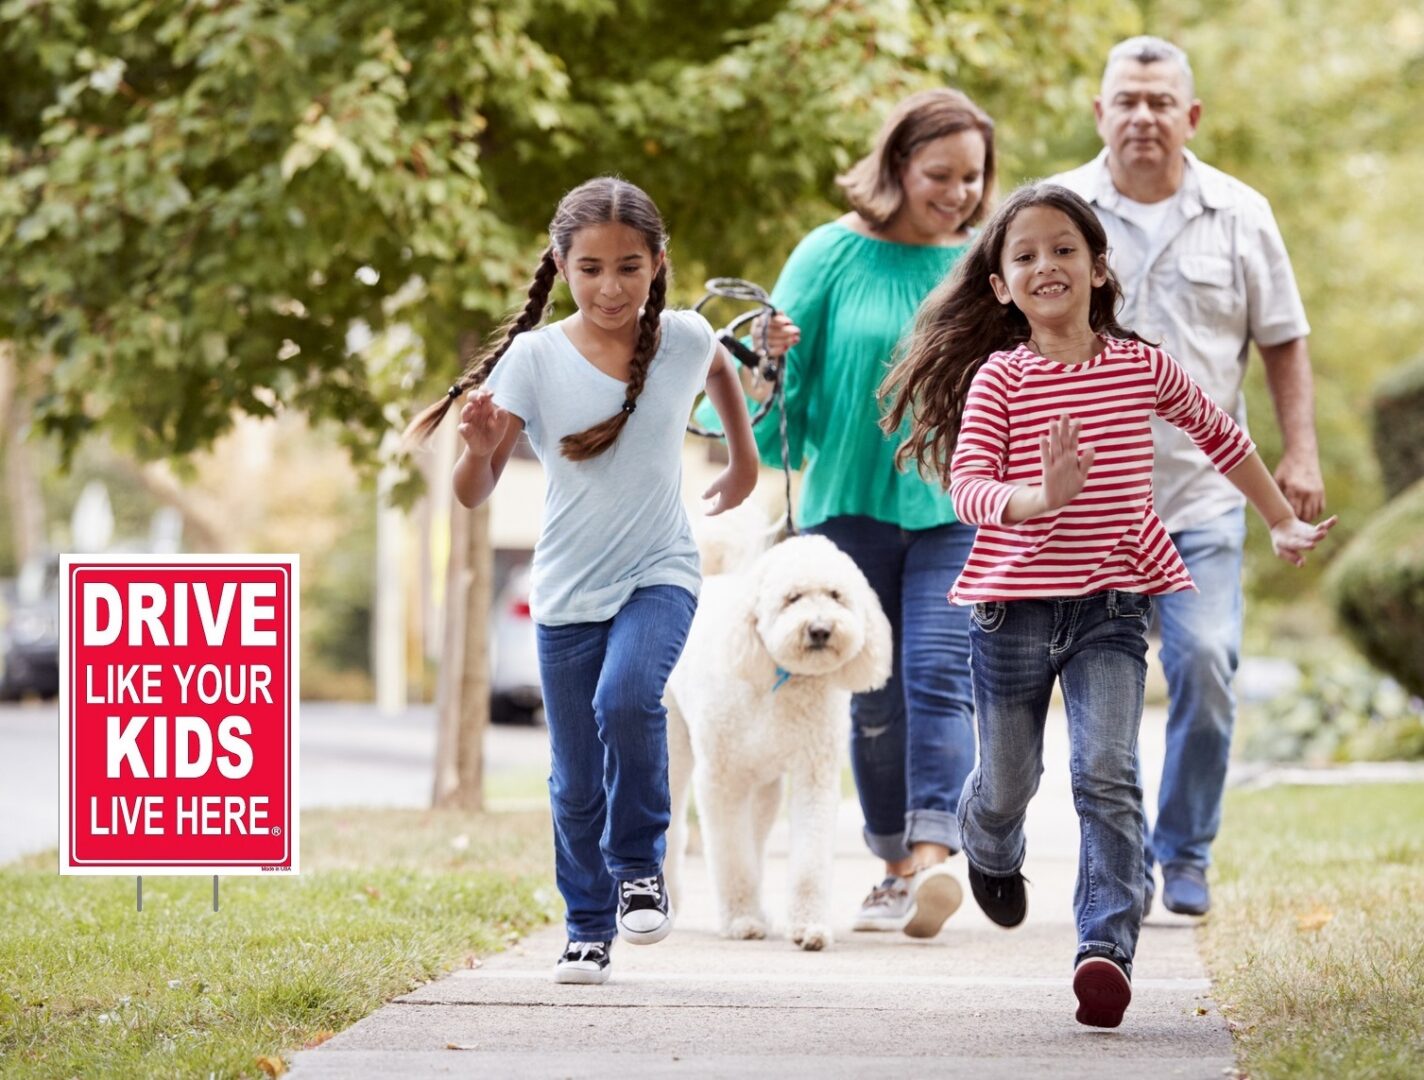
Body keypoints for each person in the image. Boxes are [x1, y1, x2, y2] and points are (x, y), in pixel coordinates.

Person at [880, 182, 1334, 1027]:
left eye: (1063, 249)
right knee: (1008, 780)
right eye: (1025, 256)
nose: (1046, 265)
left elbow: (1221, 434)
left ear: (1097, 266)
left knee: (1107, 773)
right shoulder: (999, 379)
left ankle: (1104, 949)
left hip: (1111, 606)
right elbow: (970, 486)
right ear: (1001, 287)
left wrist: (1278, 519)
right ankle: (990, 846)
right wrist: (1037, 498)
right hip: (1011, 609)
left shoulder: (1139, 365)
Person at [405, 177, 759, 985]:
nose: (611, 287)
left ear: (658, 263)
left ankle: (640, 868)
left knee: (626, 700)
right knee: (572, 778)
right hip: (565, 590)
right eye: (591, 267)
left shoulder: (684, 337)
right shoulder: (533, 359)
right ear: (561, 264)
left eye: (629, 267)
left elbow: (722, 374)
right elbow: (473, 491)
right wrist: (478, 446)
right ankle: (587, 927)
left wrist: (743, 460)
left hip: (659, 571)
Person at [1050, 36, 1325, 917]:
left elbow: (1282, 336)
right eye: (1125, 100)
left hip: (1207, 496)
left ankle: (1187, 849)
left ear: (1190, 116)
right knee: (1098, 698)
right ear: (1100, 113)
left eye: (1160, 101)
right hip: (1091, 508)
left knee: (1206, 662)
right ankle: (1119, 865)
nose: (1142, 116)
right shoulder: (1059, 214)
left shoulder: (1243, 213)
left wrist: (1300, 452)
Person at [749, 89, 997, 938]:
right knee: (874, 695)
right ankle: (890, 862)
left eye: (973, 177)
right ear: (896, 166)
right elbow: (775, 393)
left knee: (937, 673)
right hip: (847, 507)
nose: (960, 193)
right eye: (941, 173)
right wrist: (767, 361)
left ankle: (933, 857)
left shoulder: (980, 268)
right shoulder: (827, 254)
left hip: (952, 507)